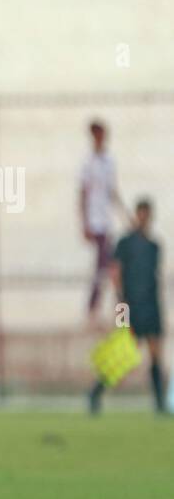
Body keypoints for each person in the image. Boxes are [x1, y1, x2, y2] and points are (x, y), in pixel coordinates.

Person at [89, 198, 166, 414]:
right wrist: (121, 305)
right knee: (124, 354)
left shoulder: (155, 246)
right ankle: (95, 392)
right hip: (131, 306)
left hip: (152, 306)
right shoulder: (124, 244)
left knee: (156, 354)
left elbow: (154, 278)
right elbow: (115, 273)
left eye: (147, 215)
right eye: (140, 214)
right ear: (136, 215)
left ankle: (159, 404)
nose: (143, 218)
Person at [80, 120, 128, 323]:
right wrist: (85, 223)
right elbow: (83, 193)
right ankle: (104, 310)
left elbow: (112, 191)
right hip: (95, 221)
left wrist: (126, 216)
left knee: (110, 267)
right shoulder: (87, 163)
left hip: (107, 222)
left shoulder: (109, 161)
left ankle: (107, 309)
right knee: (106, 266)